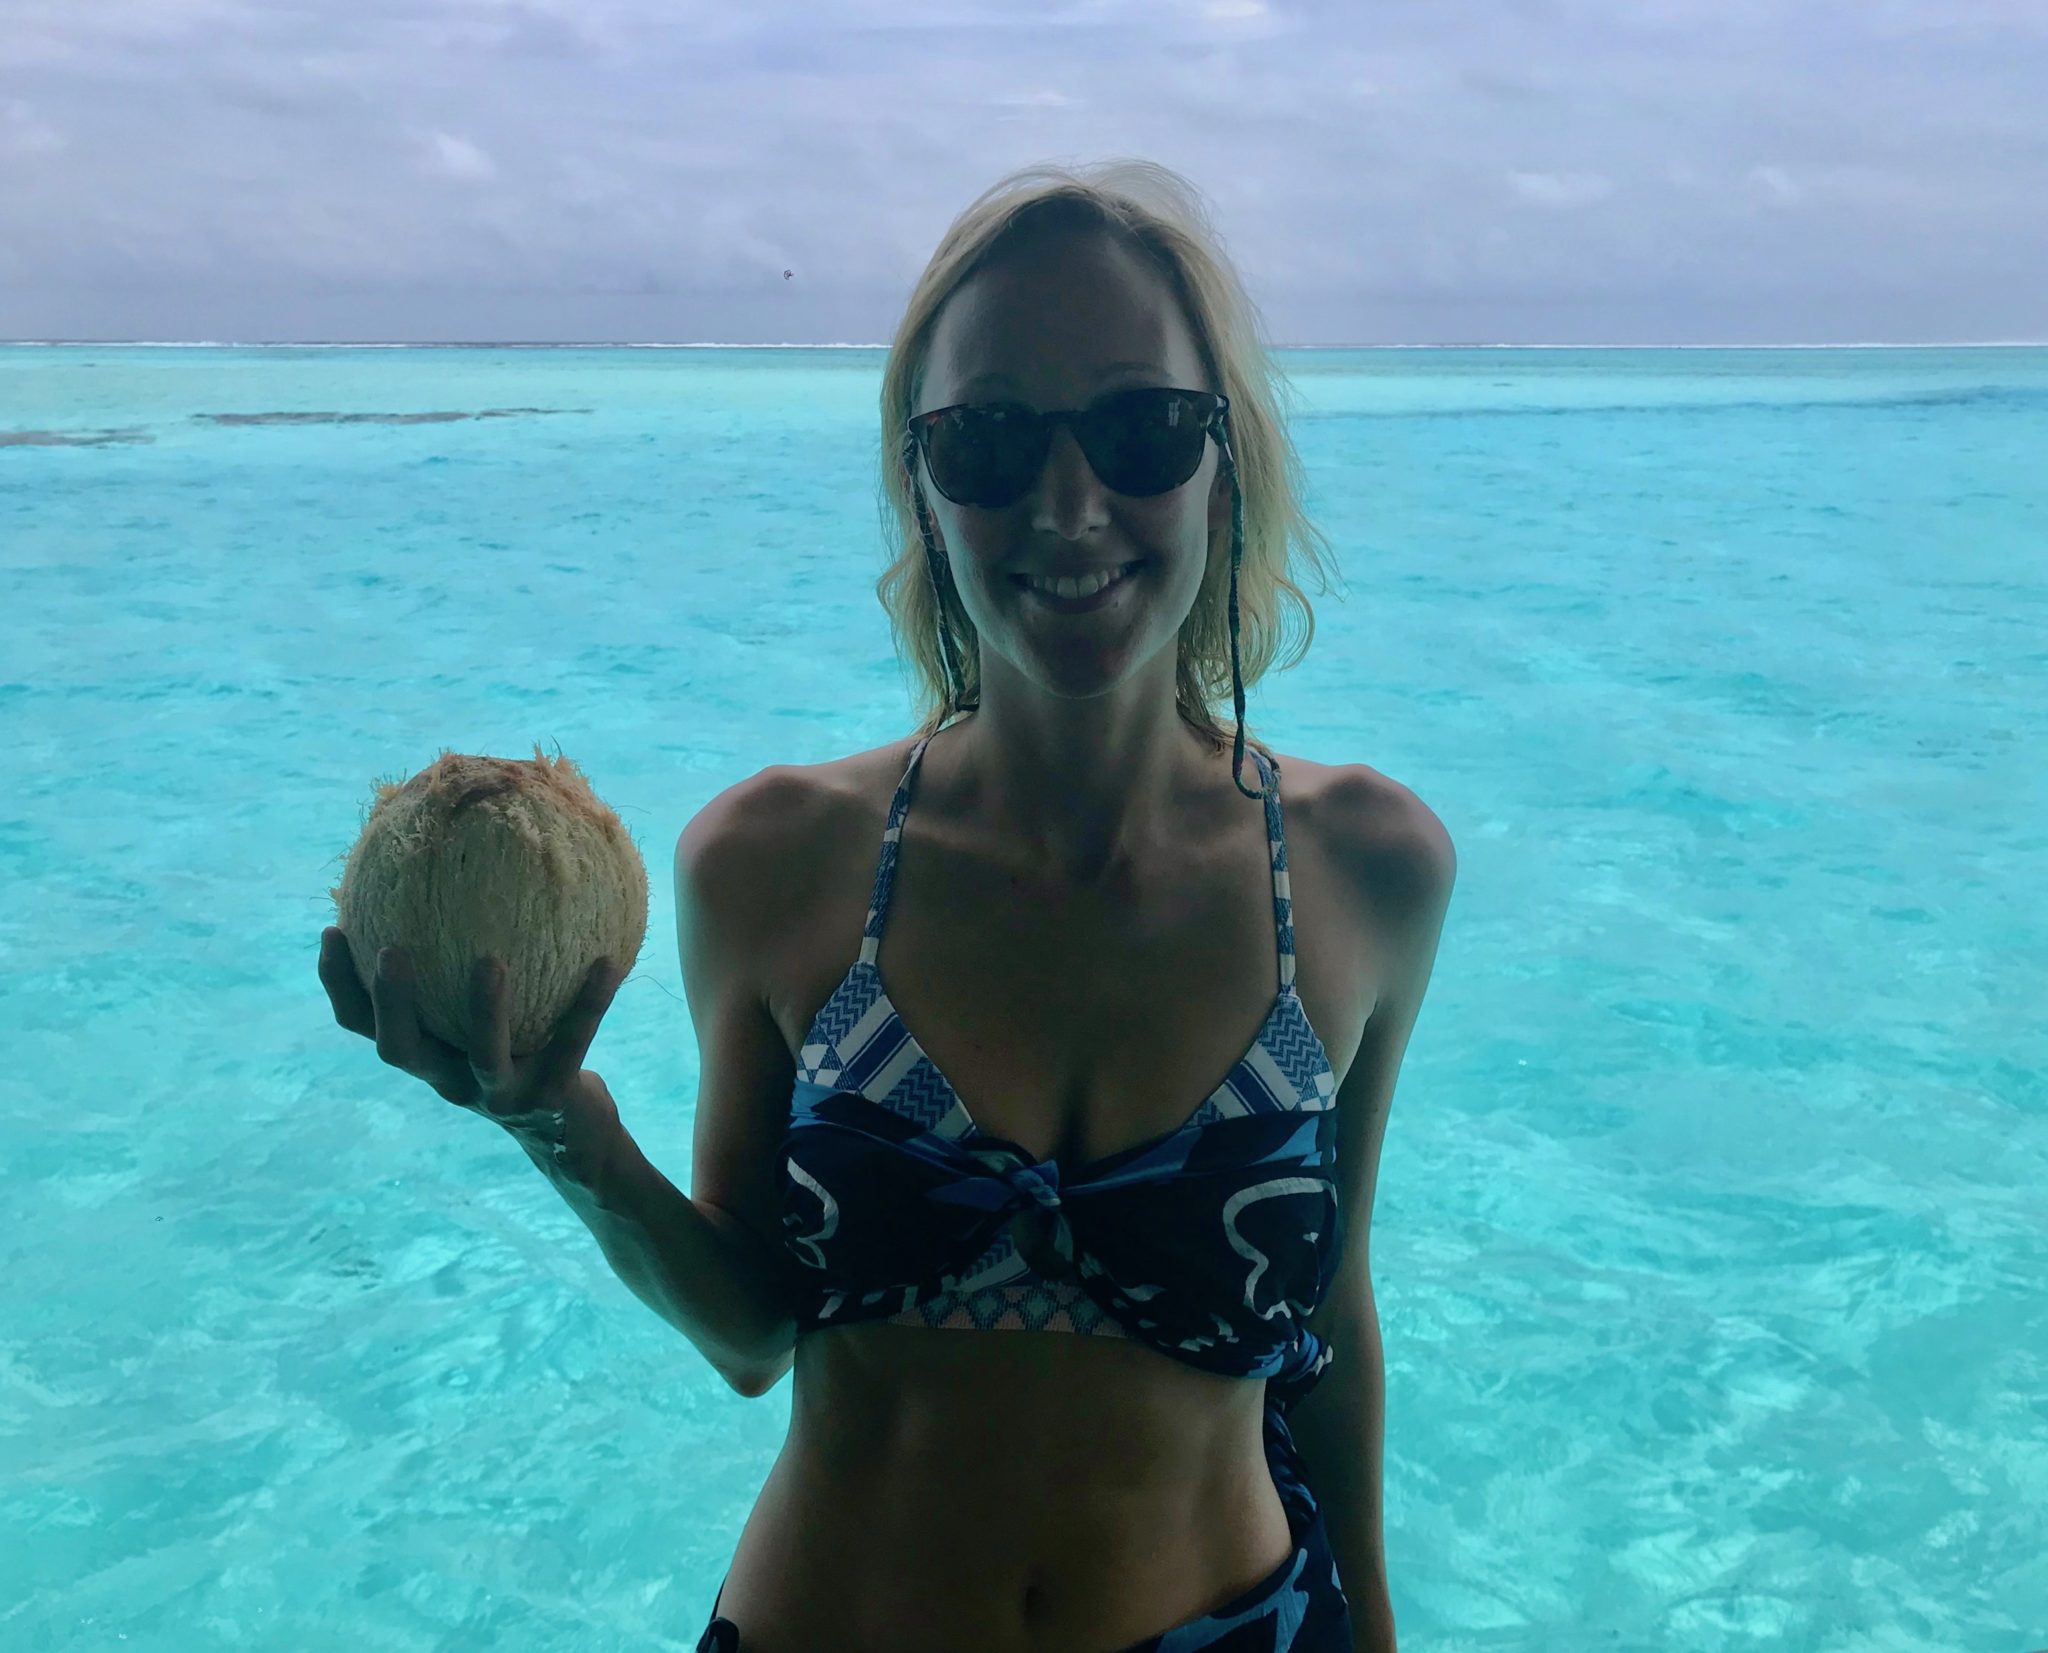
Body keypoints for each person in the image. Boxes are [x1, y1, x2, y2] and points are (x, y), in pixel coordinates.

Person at [321, 156, 1455, 1653]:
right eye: (987, 440)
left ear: (1222, 459)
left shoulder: (1369, 866)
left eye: (1139, 428)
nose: (1069, 504)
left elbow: (1330, 1336)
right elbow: (751, 1331)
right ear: (920, 486)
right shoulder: (777, 862)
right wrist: (565, 1131)